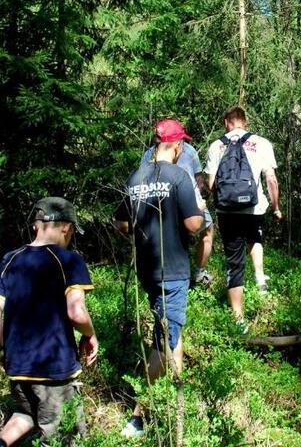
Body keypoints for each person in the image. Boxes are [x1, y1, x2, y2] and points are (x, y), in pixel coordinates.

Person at [114, 118, 204, 439]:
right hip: (174, 270)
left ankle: (178, 402)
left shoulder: (135, 177)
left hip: (148, 270)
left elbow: (122, 225)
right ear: (178, 146)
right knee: (165, 341)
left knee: (168, 331)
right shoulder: (179, 177)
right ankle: (139, 415)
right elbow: (194, 224)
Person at [0, 197, 98, 447]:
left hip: (18, 368)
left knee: (27, 413)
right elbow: (76, 313)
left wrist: (5, 348)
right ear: (66, 227)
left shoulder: (10, 259)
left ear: (36, 225)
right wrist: (90, 335)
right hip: (54, 371)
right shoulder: (69, 260)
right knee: (64, 438)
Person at [205, 106, 281, 329]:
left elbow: (211, 185)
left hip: (227, 212)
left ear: (227, 122)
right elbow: (271, 179)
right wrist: (276, 207)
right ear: (244, 122)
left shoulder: (216, 145)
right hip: (254, 208)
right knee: (255, 238)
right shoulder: (262, 143)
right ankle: (259, 277)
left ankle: (239, 320)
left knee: (234, 262)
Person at [140, 121, 215, 286]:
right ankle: (198, 271)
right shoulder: (189, 150)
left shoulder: (148, 154)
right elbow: (199, 179)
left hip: (160, 202)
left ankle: (160, 272)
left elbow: (143, 179)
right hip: (189, 201)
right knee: (206, 230)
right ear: (177, 142)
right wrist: (198, 200)